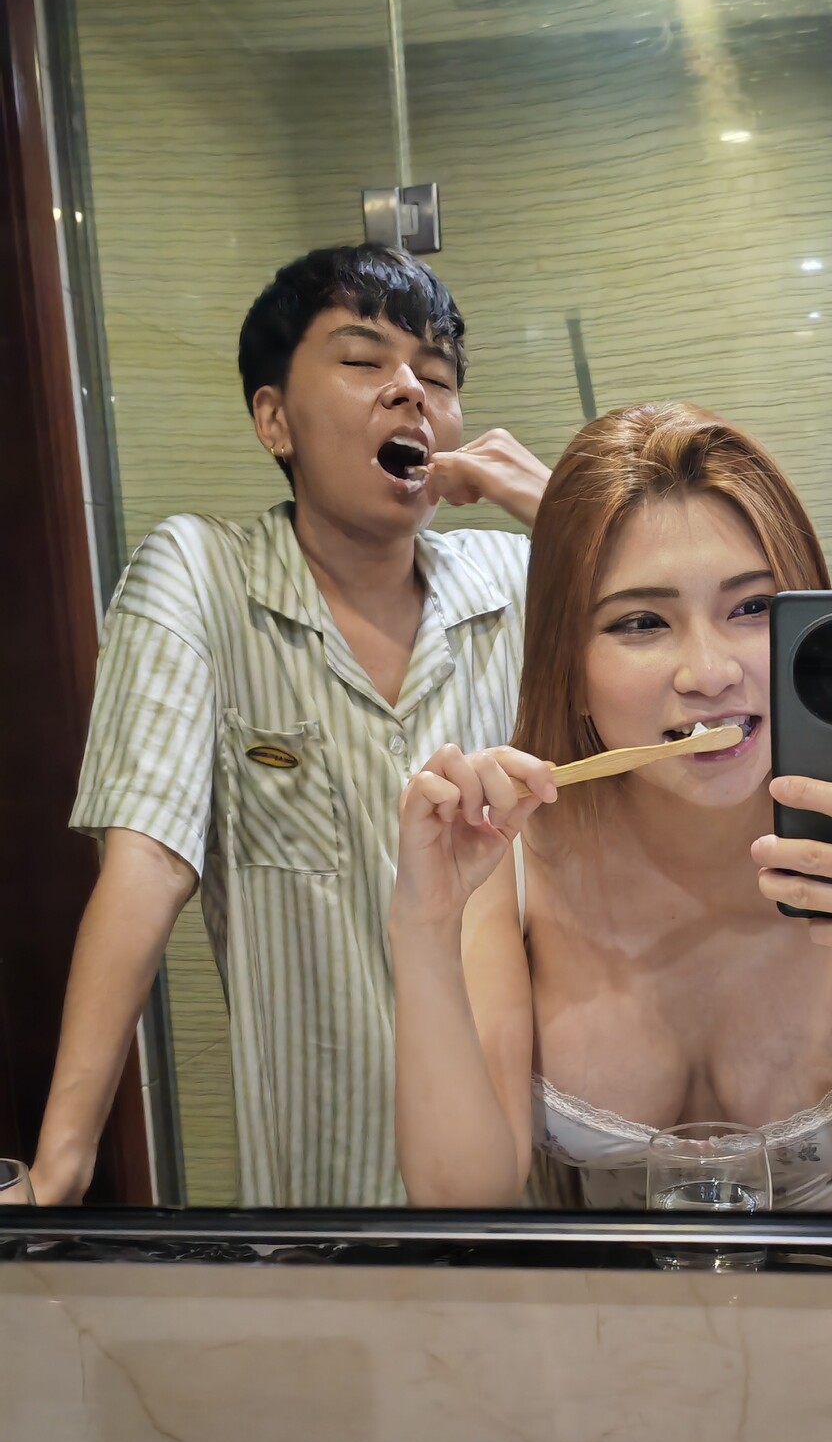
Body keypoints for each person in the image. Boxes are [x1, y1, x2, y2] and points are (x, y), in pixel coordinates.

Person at [389, 402, 832, 1262]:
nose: (709, 672)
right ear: (570, 666)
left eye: (752, 608)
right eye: (641, 622)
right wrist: (422, 927)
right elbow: (462, 1205)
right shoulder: (509, 863)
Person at [31, 244, 549, 1207]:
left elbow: (702, 666)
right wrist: (63, 1160)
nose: (411, 390)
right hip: (323, 1198)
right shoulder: (201, 576)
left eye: (437, 378)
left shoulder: (517, 582)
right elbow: (148, 862)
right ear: (274, 419)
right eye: (362, 361)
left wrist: (553, 505)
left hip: (516, 1190)